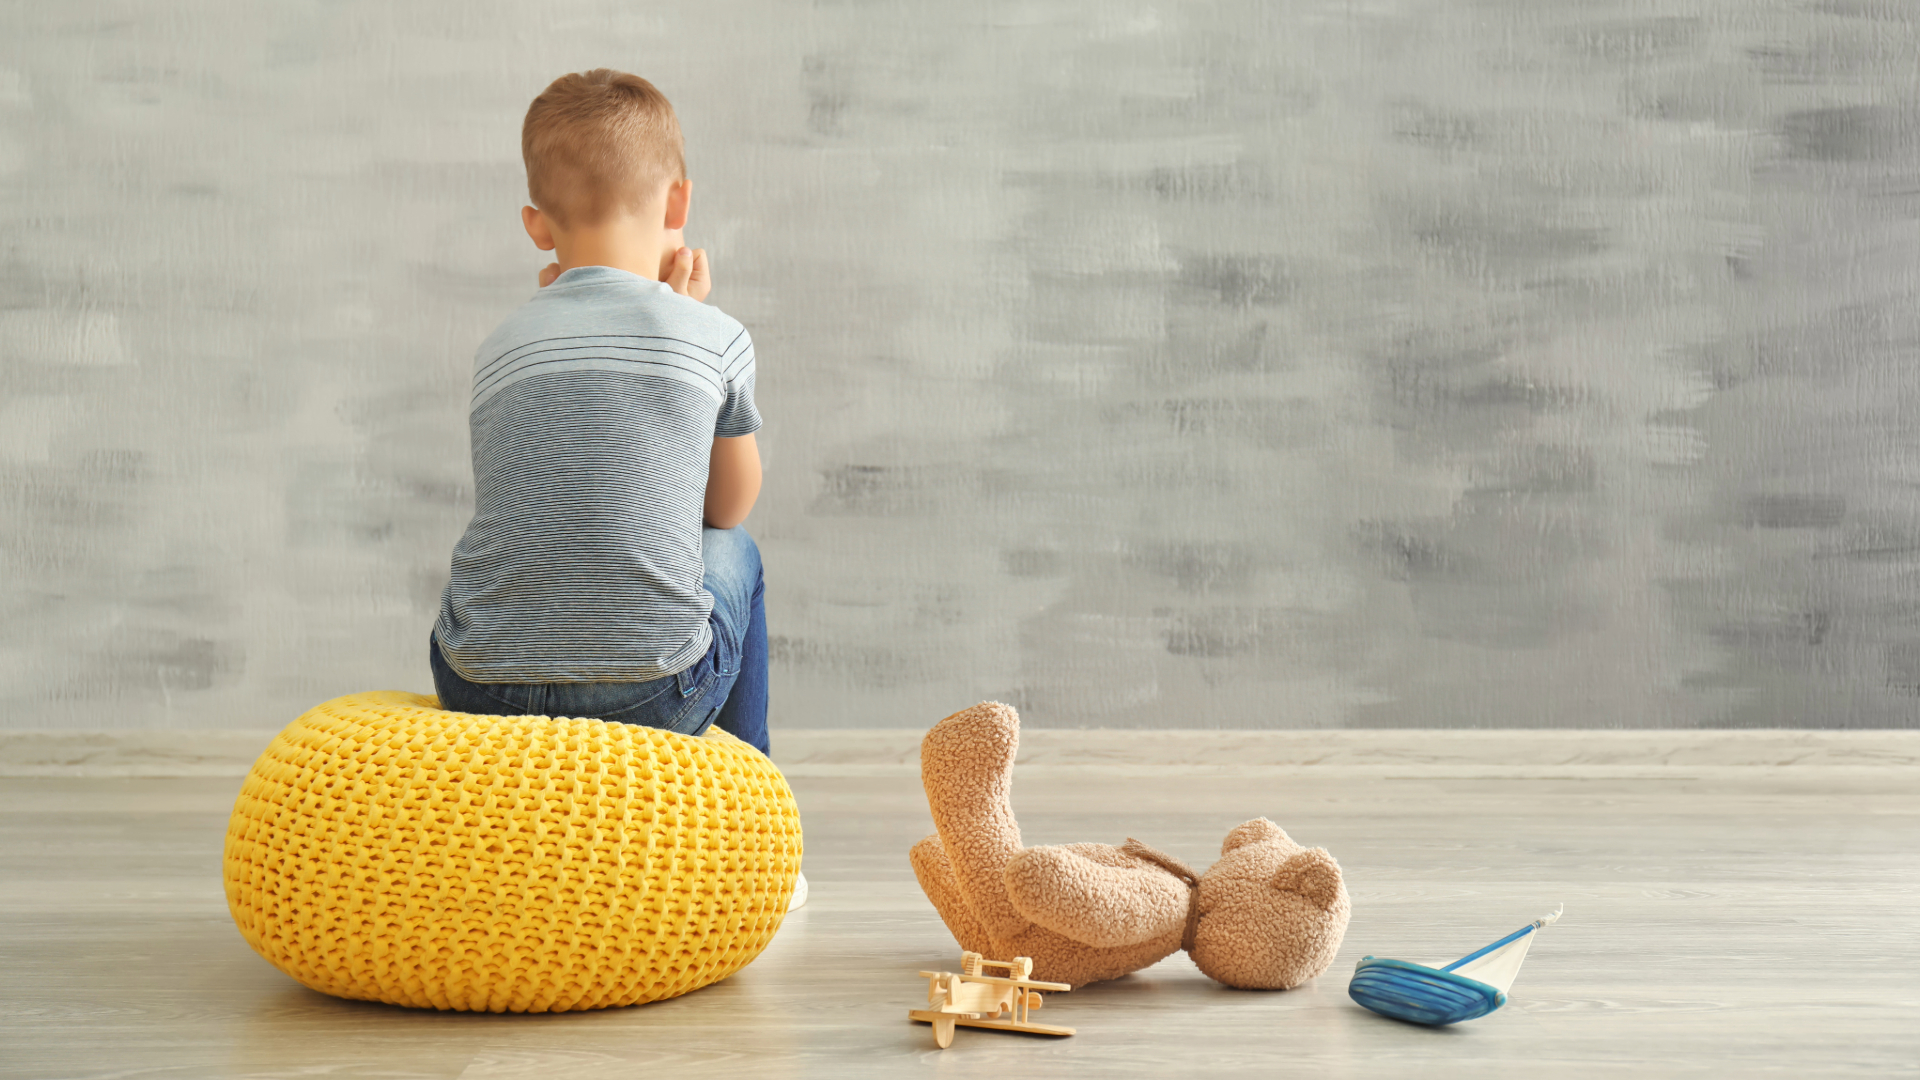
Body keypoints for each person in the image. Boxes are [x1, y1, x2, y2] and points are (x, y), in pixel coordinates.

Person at [431, 69, 773, 769]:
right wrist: (688, 321)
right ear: (679, 199)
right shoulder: (712, 333)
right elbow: (729, 508)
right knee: (738, 552)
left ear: (535, 225)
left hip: (478, 688)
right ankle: (753, 802)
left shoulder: (500, 346)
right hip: (652, 696)